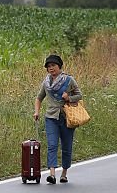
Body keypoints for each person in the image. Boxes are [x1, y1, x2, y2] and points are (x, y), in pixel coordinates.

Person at [33, 54, 83, 184]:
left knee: (66, 146)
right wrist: (37, 112)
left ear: (59, 66)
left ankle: (64, 173)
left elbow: (79, 95)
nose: (51, 68)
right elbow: (39, 98)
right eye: (48, 66)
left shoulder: (69, 80)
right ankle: (52, 174)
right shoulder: (46, 82)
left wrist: (69, 98)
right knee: (52, 145)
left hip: (67, 118)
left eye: (53, 65)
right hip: (51, 117)